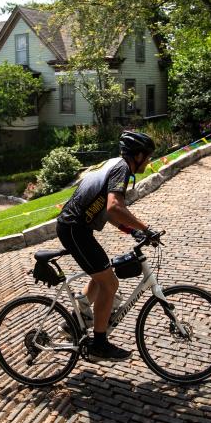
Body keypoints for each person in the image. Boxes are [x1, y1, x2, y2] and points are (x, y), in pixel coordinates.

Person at [56, 130, 158, 361]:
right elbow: (114, 208)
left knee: (102, 275)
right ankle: (99, 344)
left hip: (75, 228)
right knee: (109, 284)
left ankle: (73, 322)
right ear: (139, 155)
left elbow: (109, 213)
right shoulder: (121, 169)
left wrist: (132, 231)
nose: (149, 160)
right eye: (149, 156)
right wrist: (145, 228)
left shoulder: (114, 164)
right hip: (74, 229)